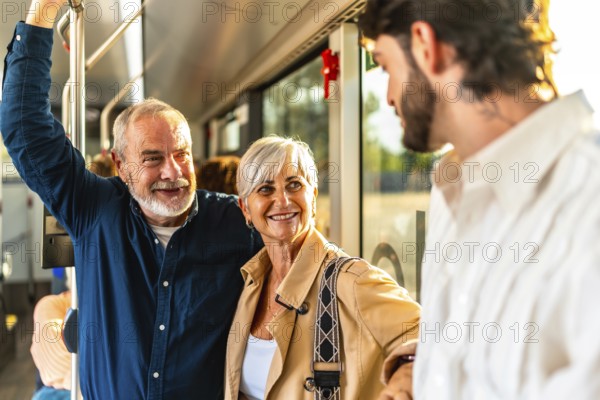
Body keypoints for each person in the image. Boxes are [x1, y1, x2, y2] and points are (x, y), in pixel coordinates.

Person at [1, 1, 261, 398]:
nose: (173, 172)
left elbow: (308, 259)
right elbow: (24, 126)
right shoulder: (95, 211)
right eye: (153, 159)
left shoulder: (236, 223)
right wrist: (42, 14)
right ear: (120, 165)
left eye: (182, 154)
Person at [359, 0, 600, 399]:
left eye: (385, 67)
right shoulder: (451, 195)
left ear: (425, 45)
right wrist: (417, 370)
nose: (386, 96)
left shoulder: (587, 206)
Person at [224, 136, 421, 399]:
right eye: (265, 189)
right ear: (245, 208)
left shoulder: (352, 281)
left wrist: (403, 382)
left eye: (294, 185)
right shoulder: (250, 282)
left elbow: (431, 336)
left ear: (313, 197)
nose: (282, 200)